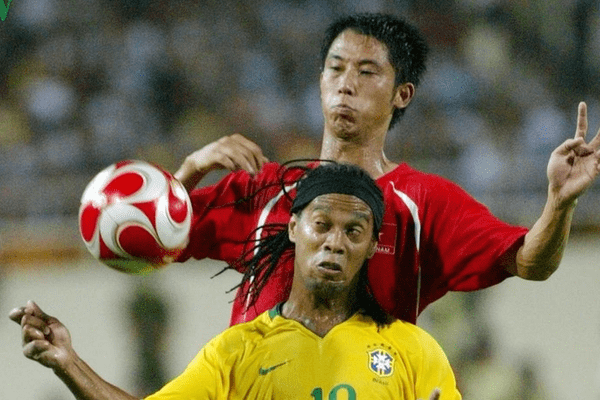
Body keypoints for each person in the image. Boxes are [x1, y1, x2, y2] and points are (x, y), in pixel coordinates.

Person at [173, 13, 600, 326]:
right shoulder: (264, 189)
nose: (345, 84)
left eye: (366, 71)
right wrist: (191, 170)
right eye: (335, 68)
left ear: (402, 94)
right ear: (320, 80)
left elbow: (530, 262)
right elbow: (149, 240)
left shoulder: (425, 203)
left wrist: (560, 202)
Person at [9, 163, 460, 400]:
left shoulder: (413, 351)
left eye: (354, 232)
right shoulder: (236, 351)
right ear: (293, 228)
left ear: (372, 245)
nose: (335, 243)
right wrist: (68, 362)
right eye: (322, 225)